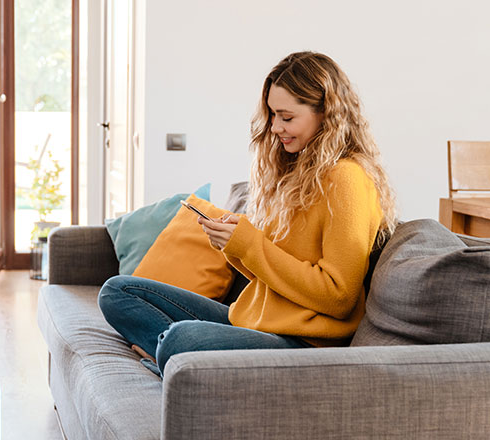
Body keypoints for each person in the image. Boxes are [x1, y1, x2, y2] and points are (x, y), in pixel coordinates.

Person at [98, 51, 398, 377]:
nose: (275, 127)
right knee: (117, 292)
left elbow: (338, 296)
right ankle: (168, 356)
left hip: (301, 343)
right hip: (253, 320)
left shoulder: (346, 179)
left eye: (286, 117)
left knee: (182, 338)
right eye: (271, 115)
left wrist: (249, 244)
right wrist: (234, 244)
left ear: (326, 113)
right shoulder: (296, 172)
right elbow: (272, 273)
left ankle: (166, 353)